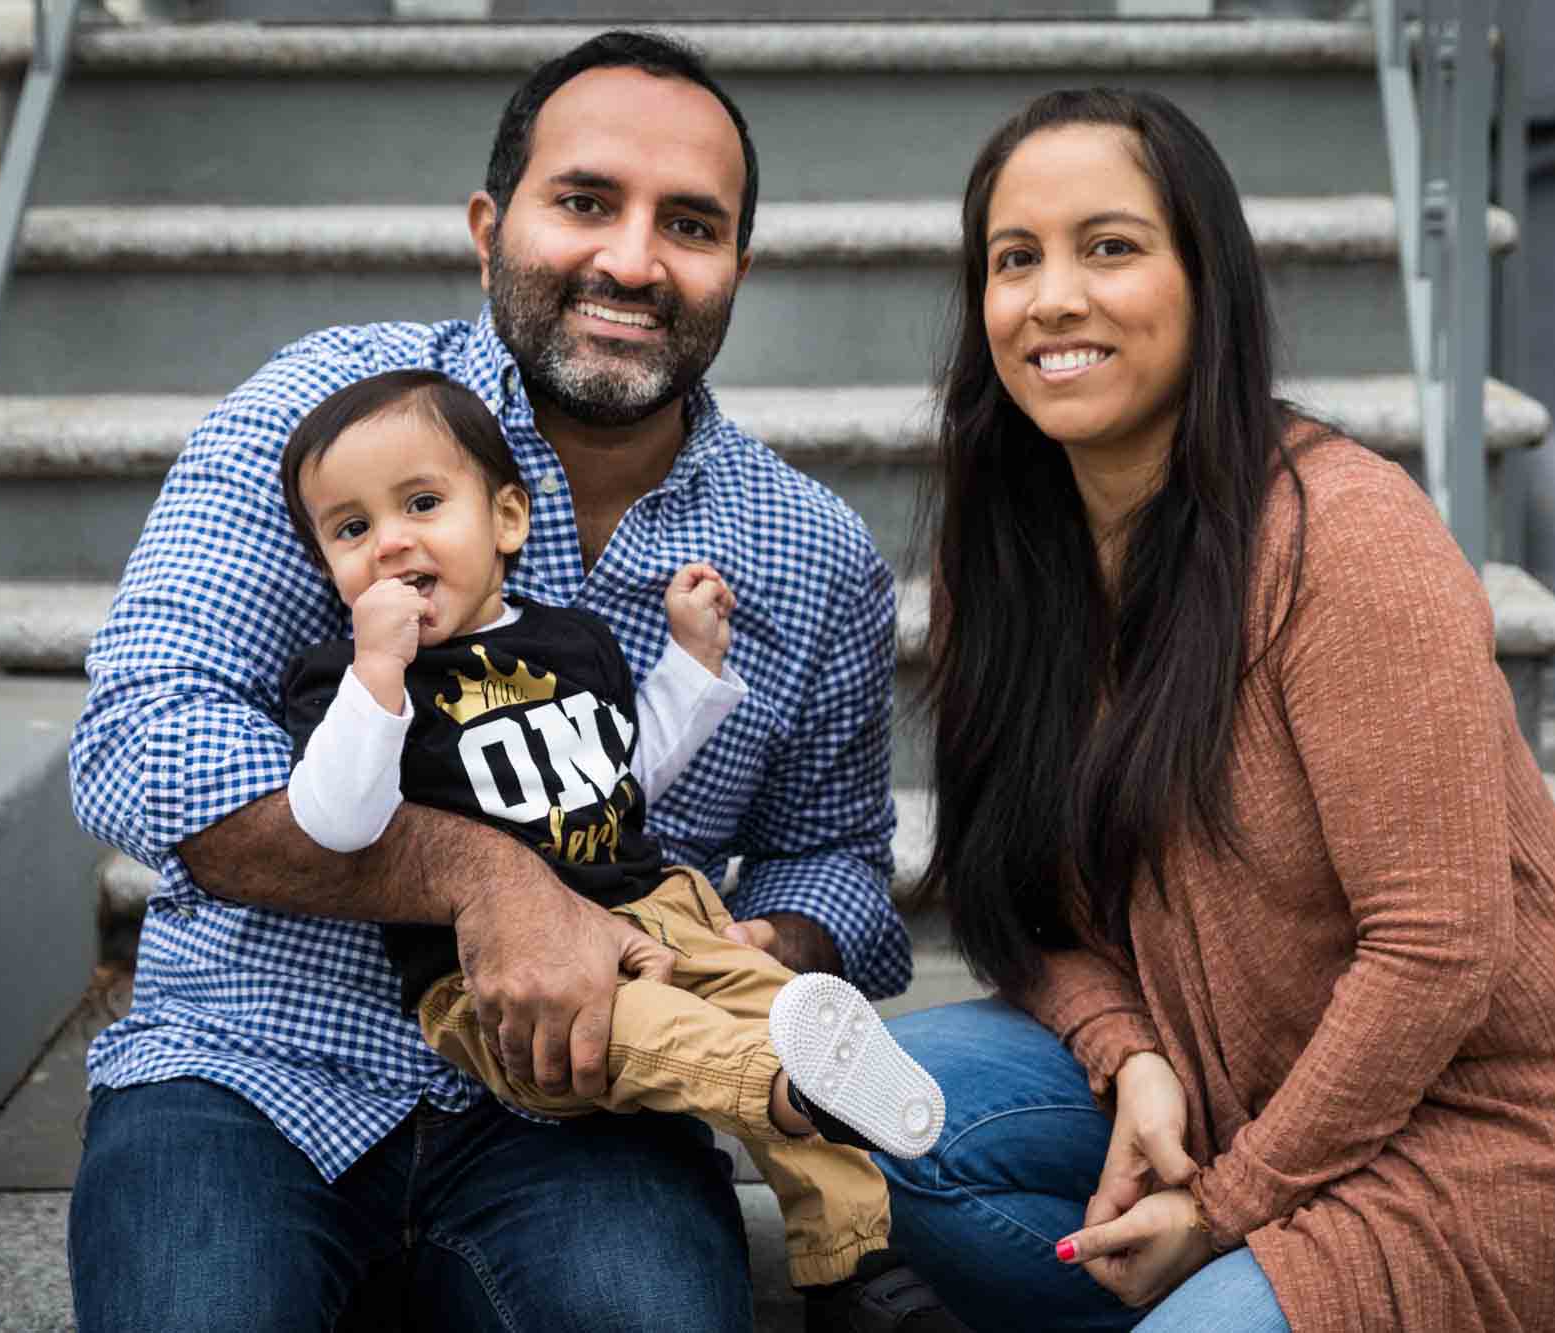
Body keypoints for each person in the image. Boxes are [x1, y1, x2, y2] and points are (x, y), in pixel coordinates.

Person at [67, 29, 961, 1332]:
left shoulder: (811, 552)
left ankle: (831, 1193)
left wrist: (766, 948)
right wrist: (487, 880)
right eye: (585, 202)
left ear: (738, 270)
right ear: (491, 225)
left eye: (691, 225)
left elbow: (831, 854)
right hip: (247, 1064)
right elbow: (148, 741)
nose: (632, 260)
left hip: (591, 1105)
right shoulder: (328, 424)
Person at [873, 88, 1555, 1333]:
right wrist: (1127, 1050)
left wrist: (1222, 1207)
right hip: (1224, 1073)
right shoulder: (1016, 552)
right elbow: (1019, 905)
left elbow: (1436, 946)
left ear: (1208, 282)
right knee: (894, 1112)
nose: (1052, 300)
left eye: (1109, 247)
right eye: (1013, 259)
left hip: (1481, 1135)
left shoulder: (1342, 537)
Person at [276, 365, 944, 1293]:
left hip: (663, 906)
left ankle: (857, 1262)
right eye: (352, 530)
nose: (391, 544)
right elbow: (336, 822)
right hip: (493, 978)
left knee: (782, 1007)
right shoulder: (345, 684)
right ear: (329, 566)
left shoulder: (573, 641)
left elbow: (622, 773)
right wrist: (376, 670)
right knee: (665, 1035)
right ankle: (793, 1089)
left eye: (423, 503)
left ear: (506, 519)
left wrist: (692, 665)